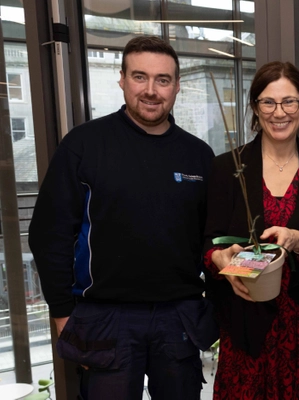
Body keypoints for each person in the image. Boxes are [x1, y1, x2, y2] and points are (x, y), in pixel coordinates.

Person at [29, 36, 217, 399]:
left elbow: (211, 237)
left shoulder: (199, 156)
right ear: (122, 80)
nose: (150, 90)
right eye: (139, 77)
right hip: (104, 317)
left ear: (177, 86)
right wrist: (63, 314)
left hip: (177, 317)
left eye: (163, 80)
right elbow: (48, 234)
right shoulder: (83, 146)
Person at [202, 61, 299, 399]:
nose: (279, 112)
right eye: (268, 102)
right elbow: (206, 243)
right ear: (255, 107)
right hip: (245, 329)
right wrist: (222, 260)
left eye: (289, 101)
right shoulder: (226, 168)